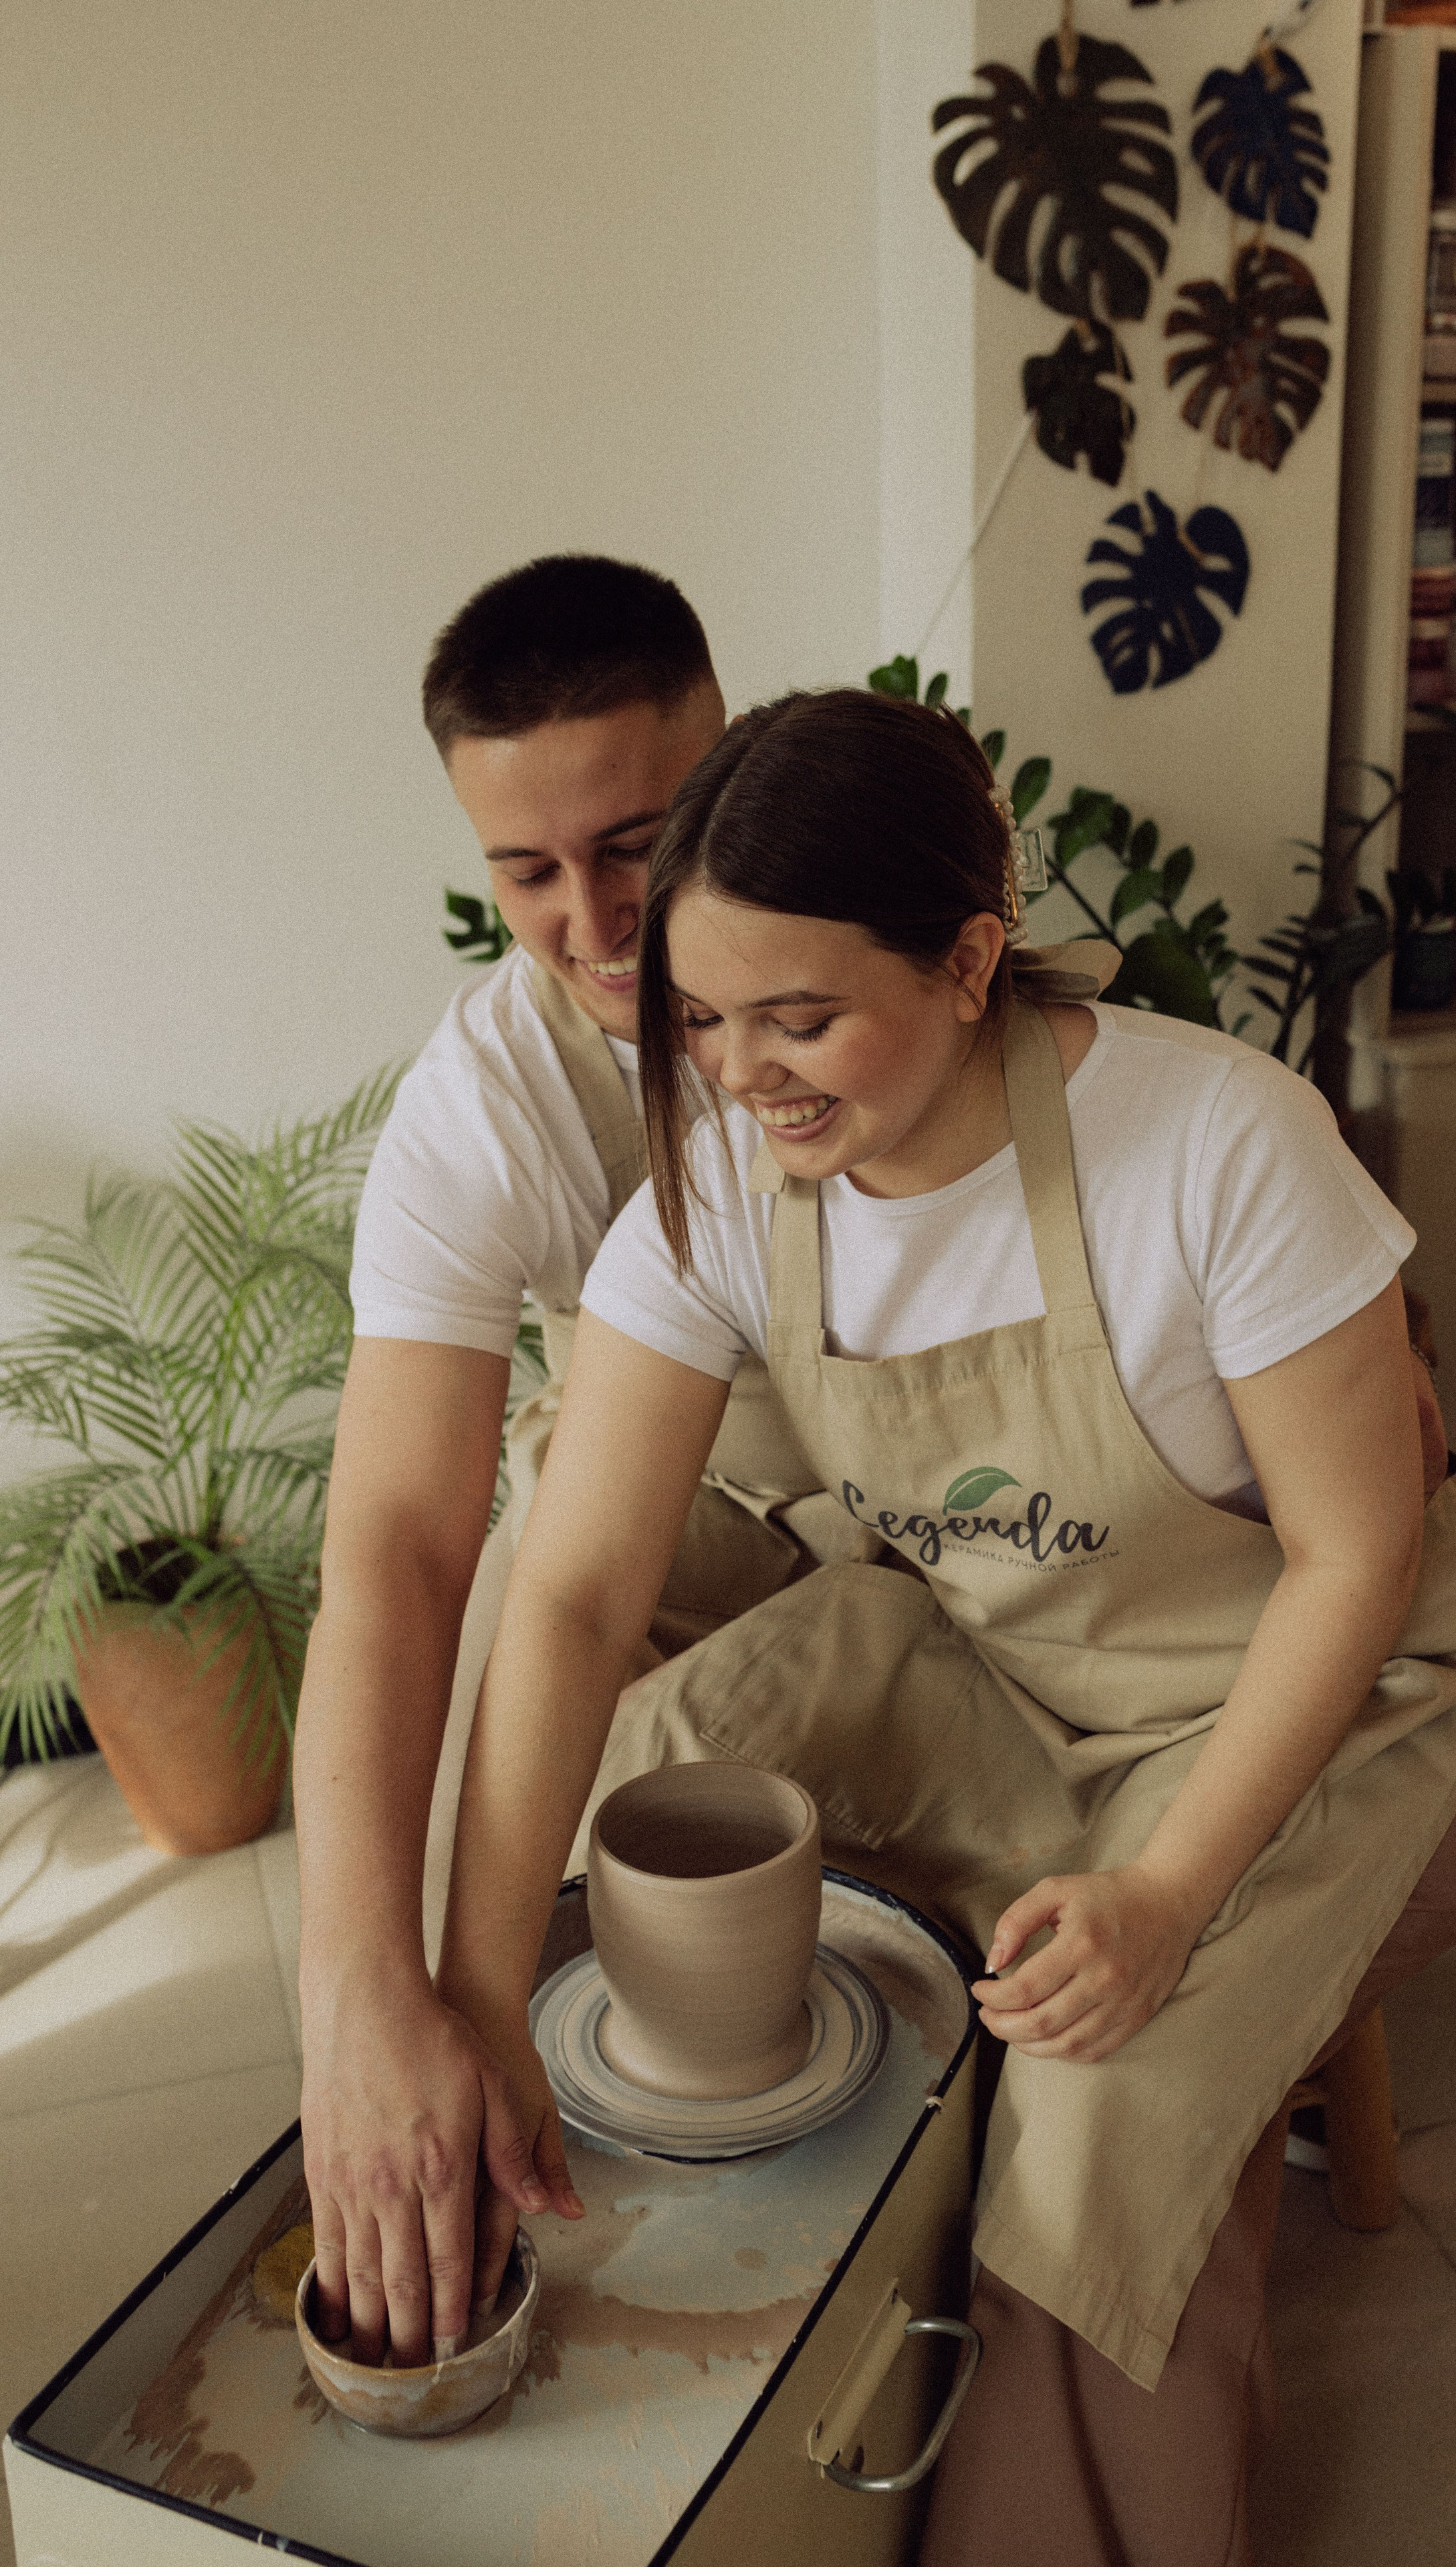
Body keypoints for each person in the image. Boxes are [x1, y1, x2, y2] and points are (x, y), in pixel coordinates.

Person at [427, 687, 1456, 2563]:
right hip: (1029, 1676)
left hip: (1357, 1707)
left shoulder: (1215, 1145)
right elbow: (575, 1586)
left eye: (802, 1019)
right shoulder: (722, 1176)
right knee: (628, 1803)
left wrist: (1165, 1897)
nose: (747, 1072)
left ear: (968, 957)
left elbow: (1354, 1570)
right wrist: (467, 1998)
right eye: (705, 1020)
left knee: (1110, 2112)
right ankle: (730, 2364)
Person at [293, 562, 862, 2378]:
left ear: (730, 757)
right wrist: (358, 1996)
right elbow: (392, 1537)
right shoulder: (482, 1111)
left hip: (962, 1498)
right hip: (691, 1513)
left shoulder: (900, 948)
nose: (593, 922)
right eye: (523, 875)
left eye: (634, 845)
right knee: (483, 1825)